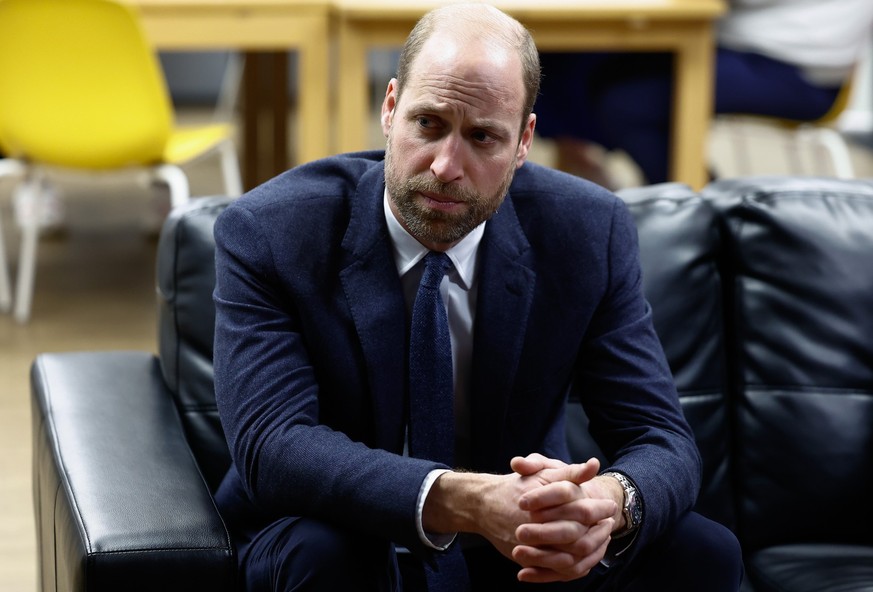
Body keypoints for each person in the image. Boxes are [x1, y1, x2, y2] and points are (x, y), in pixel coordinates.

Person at [211, 3, 743, 591]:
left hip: (516, 544)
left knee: (703, 551)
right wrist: (466, 500)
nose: (445, 166)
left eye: (483, 137)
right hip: (337, 531)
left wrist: (604, 505)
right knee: (328, 554)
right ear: (390, 109)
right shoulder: (271, 231)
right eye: (428, 124)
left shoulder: (588, 232)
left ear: (524, 142)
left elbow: (660, 438)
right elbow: (273, 447)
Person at [536, 0, 873, 187]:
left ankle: (703, 211)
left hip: (798, 70)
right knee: (575, 61)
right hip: (755, 44)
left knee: (627, 101)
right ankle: (581, 173)